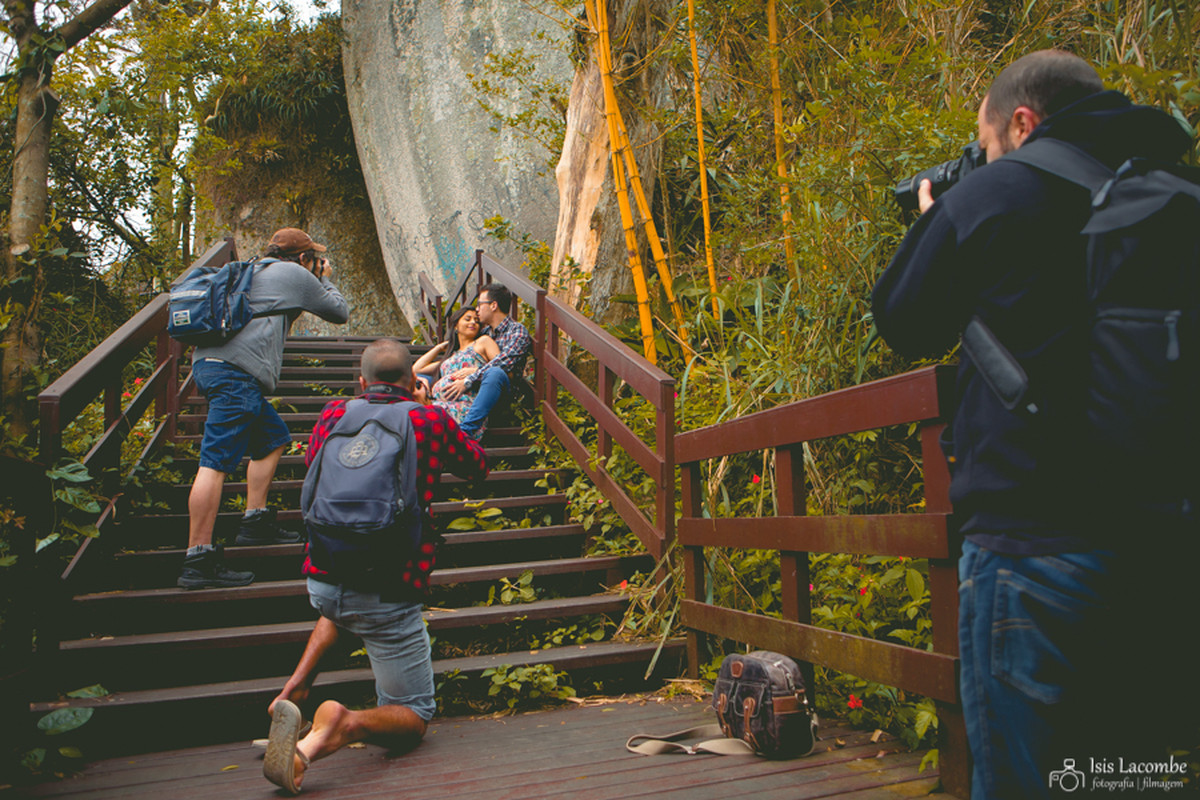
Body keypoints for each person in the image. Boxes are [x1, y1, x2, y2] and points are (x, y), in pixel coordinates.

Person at [872, 50, 1193, 799]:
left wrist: (934, 220)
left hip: (1033, 548)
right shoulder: (1174, 190)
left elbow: (902, 319)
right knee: (1130, 775)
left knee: (1025, 781)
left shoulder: (998, 193)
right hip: (1167, 551)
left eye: (984, 143)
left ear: (1023, 121)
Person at [263, 338, 488, 795]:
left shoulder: (333, 413)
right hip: (390, 585)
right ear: (412, 382)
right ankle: (340, 726)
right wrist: (428, 408)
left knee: (342, 604)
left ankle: (296, 687)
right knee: (415, 714)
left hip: (323, 575)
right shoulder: (425, 418)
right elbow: (476, 466)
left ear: (360, 382)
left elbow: (314, 466)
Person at [178, 228, 349, 590]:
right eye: (312, 257)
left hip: (211, 365)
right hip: (235, 374)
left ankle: (254, 523)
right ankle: (198, 559)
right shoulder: (295, 274)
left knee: (272, 438)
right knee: (215, 462)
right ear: (303, 258)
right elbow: (339, 312)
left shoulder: (251, 269)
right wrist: (324, 279)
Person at [437, 282, 532, 439]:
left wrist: (471, 376)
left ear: (493, 305)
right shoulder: (485, 332)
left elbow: (505, 363)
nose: (477, 309)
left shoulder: (517, 331)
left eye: (480, 304)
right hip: (476, 389)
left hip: (502, 392)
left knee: (495, 372)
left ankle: (466, 430)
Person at [412, 306, 499, 437]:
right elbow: (417, 369)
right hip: (440, 404)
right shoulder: (451, 356)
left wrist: (476, 370)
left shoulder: (483, 342)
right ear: (456, 326)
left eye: (476, 320)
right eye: (467, 319)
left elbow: (501, 367)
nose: (473, 323)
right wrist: (438, 348)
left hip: (465, 407)